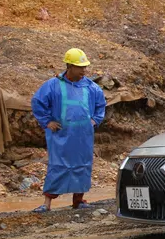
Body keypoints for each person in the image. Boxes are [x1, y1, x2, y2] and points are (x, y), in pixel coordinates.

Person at [30, 48, 107, 212]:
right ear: (69, 66)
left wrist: (95, 120)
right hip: (60, 135)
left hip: (83, 136)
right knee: (57, 165)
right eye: (80, 67)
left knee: (82, 165)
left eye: (85, 67)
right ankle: (47, 203)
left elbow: (101, 105)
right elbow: (37, 102)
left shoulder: (91, 87)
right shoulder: (53, 85)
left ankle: (78, 200)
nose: (84, 70)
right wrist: (47, 121)